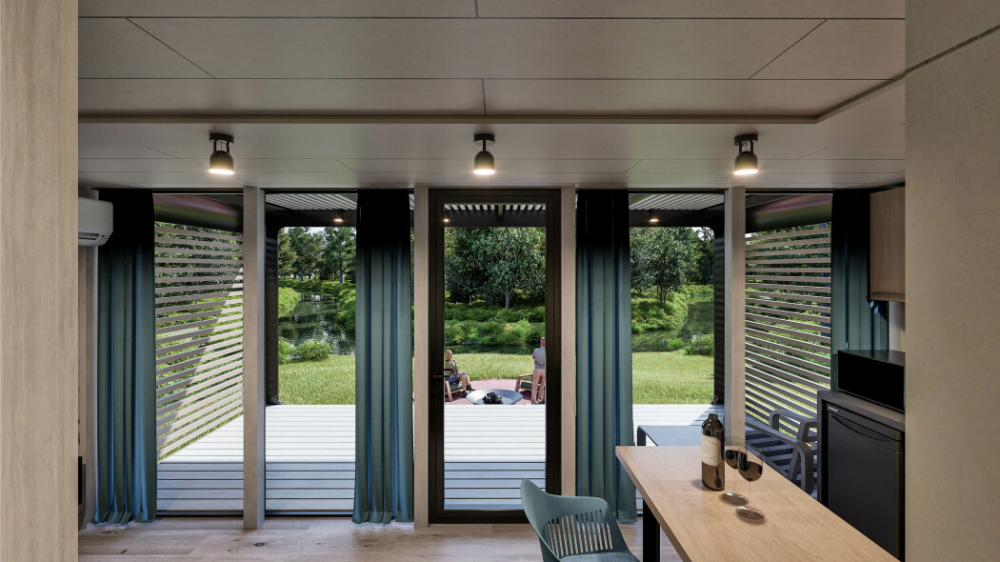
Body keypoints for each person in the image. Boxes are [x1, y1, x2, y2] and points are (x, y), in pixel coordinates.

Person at [531, 337, 546, 404]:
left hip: (537, 369)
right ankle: (540, 400)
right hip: (545, 370)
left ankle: (533, 401)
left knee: (534, 386)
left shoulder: (536, 350)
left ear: (540, 342)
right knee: (543, 386)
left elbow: (533, 357)